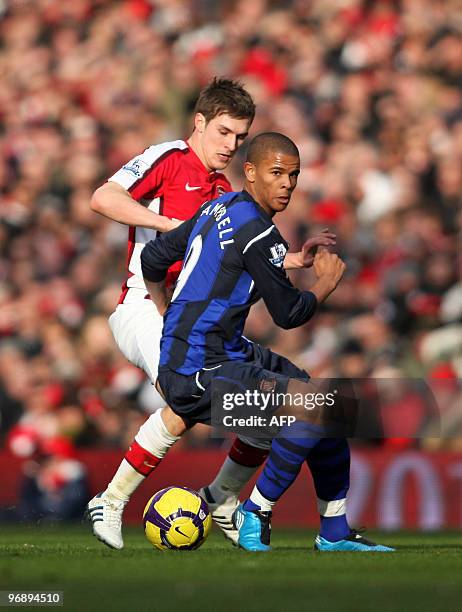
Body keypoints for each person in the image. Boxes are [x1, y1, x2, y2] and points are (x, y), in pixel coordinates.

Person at [86, 79, 335, 549]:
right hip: (145, 302)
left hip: (196, 319)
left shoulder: (225, 191)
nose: (231, 145)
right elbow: (103, 198)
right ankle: (112, 501)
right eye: (224, 132)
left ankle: (221, 497)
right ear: (199, 123)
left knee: (259, 407)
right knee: (184, 393)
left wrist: (292, 261)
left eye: (240, 138)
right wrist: (168, 226)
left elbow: (240, 254)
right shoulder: (169, 158)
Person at [139, 132, 393, 552]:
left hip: (212, 354)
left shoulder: (217, 208)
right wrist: (325, 285)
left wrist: (167, 318)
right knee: (312, 409)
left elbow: (153, 259)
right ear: (251, 172)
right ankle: (254, 512)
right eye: (277, 173)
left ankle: (334, 532)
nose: (287, 184)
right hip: (201, 369)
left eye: (293, 175)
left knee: (329, 409)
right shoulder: (260, 234)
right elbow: (289, 314)